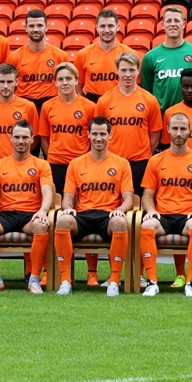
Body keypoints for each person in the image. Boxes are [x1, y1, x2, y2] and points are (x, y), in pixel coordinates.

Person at [53, 116, 132, 296]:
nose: (98, 138)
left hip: (108, 215)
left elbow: (128, 199)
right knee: (63, 220)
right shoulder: (76, 164)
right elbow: (67, 198)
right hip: (84, 215)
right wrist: (67, 208)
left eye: (103, 134)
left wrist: (120, 210)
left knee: (120, 223)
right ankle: (65, 280)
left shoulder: (122, 164)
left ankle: (114, 280)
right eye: (94, 133)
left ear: (110, 135)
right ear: (87, 134)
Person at [138, 113, 192, 297]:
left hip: (188, 216)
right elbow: (147, 195)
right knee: (147, 225)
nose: (178, 133)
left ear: (190, 131)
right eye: (175, 128)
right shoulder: (156, 160)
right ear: (168, 131)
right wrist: (151, 211)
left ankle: (191, 282)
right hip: (163, 216)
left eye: (182, 129)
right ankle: (152, 283)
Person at [0, 120, 53, 294]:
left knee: (42, 225)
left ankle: (34, 279)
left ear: (32, 139)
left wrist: (42, 211)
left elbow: (48, 192)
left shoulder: (42, 165)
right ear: (10, 138)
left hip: (31, 215)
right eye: (17, 137)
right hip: (7, 215)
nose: (21, 141)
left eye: (25, 137)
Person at [95, 52, 163, 196]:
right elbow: (98, 133)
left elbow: (155, 134)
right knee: (112, 204)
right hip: (112, 162)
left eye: (132, 70)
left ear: (138, 71)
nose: (127, 74)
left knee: (138, 205)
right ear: (117, 71)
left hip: (140, 163)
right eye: (124, 70)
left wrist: (142, 153)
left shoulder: (150, 100)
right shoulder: (104, 101)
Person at [39, 62, 94, 199]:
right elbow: (44, 138)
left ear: (76, 80)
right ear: (55, 82)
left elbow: (94, 138)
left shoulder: (90, 107)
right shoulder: (47, 107)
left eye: (68, 79)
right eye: (61, 79)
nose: (65, 83)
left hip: (81, 165)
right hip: (56, 165)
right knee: (57, 203)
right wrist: (54, 156)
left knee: (81, 204)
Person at [140, 6, 192, 110]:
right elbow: (146, 93)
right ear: (162, 24)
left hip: (191, 116)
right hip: (161, 118)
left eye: (177, 21)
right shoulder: (150, 57)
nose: (173, 24)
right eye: (169, 21)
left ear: (183, 24)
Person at [7, 8, 70, 111]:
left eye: (39, 25)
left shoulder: (60, 56)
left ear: (46, 27)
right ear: (25, 28)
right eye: (31, 26)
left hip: (51, 104)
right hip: (23, 105)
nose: (36, 29)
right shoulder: (14, 57)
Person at [0, 63, 39, 171]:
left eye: (9, 82)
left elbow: (35, 138)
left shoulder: (28, 106)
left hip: (20, 165)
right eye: (2, 82)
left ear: (16, 82)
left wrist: (21, 154)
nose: (5, 86)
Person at [73, 9, 138, 103]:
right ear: (96, 28)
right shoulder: (83, 54)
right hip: (93, 101)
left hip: (120, 101)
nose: (106, 30)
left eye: (110, 26)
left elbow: (137, 85)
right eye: (102, 26)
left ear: (118, 27)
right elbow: (78, 86)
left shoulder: (129, 54)